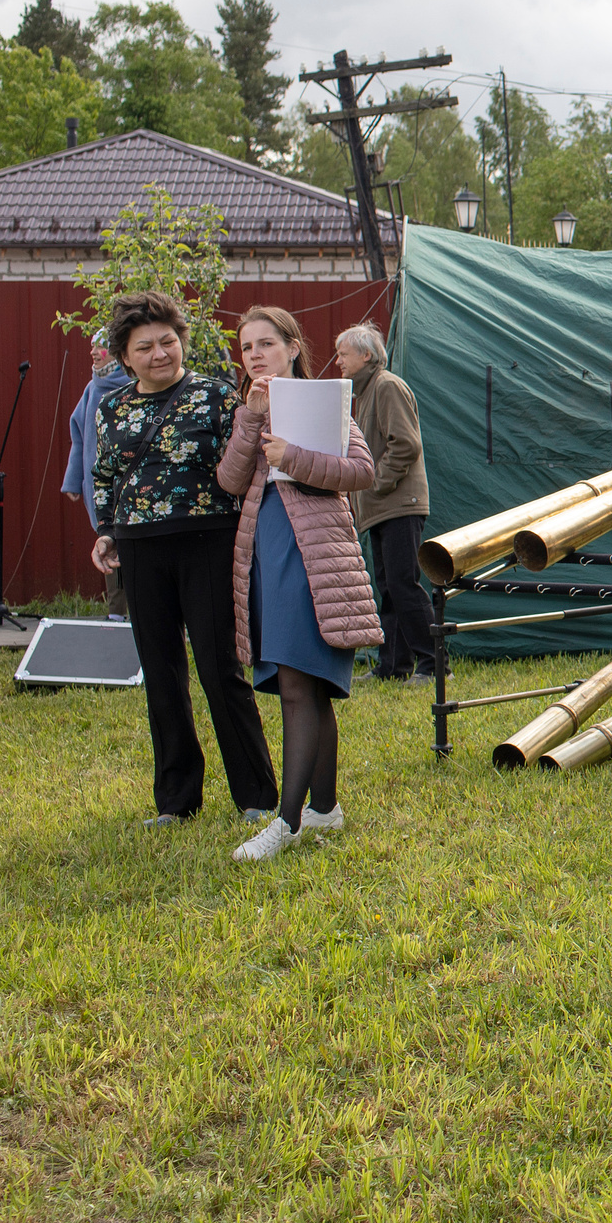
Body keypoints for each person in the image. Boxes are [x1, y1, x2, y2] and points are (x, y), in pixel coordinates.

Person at [89, 290, 280, 831]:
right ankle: (176, 801)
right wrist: (106, 531)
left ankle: (256, 795)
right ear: (125, 357)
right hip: (139, 546)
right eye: (144, 347)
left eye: (167, 341)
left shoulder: (216, 396)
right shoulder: (112, 407)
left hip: (208, 541)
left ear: (182, 342)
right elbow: (105, 476)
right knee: (161, 672)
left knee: (221, 668)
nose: (159, 353)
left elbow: (240, 468)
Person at [221, 305, 381, 864]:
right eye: (247, 347)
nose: (255, 354)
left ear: (292, 348)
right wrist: (251, 421)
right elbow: (230, 480)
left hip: (314, 557)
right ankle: (325, 809)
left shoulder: (324, 402)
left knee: (299, 683)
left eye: (266, 343)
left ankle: (286, 823)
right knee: (308, 687)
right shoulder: (248, 411)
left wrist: (294, 456)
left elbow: (361, 472)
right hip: (266, 554)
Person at [335, 322, 433, 682]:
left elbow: (406, 444)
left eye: (343, 354)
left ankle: (435, 665)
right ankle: (393, 667)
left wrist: (374, 484)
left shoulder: (387, 386)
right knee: (389, 588)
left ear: (366, 355)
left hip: (399, 505)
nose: (338, 361)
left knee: (403, 584)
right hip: (380, 508)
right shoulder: (365, 393)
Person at [60, 332, 134, 619]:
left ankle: (141, 613)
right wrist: (73, 479)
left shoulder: (134, 385)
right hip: (99, 485)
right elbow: (79, 436)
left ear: (117, 352)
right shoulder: (92, 389)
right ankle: (116, 614)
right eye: (92, 346)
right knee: (108, 542)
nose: (93, 352)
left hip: (132, 485)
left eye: (101, 346)